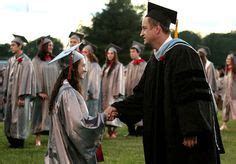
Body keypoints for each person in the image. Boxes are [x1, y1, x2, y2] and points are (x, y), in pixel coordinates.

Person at [105, 2, 224, 164]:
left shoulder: (183, 53)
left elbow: (193, 94)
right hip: (162, 133)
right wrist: (118, 108)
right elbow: (142, 96)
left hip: (183, 138)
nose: (141, 33)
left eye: (144, 28)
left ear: (157, 29)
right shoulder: (156, 59)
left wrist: (191, 130)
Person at [45, 44, 109, 163]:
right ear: (72, 68)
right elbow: (77, 127)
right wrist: (102, 117)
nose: (85, 69)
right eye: (83, 65)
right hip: (68, 152)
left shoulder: (64, 89)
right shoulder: (68, 93)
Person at [3, 34, 36, 148]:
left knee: (19, 117)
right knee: (9, 116)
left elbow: (27, 80)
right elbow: (7, 78)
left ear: (20, 46)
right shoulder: (11, 60)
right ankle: (11, 140)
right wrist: (5, 93)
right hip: (10, 95)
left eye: (13, 45)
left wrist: (22, 96)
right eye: (11, 45)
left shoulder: (26, 61)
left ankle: (19, 142)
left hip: (20, 95)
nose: (11, 47)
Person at [31, 36, 61, 146]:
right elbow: (34, 76)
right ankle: (37, 138)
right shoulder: (36, 60)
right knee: (39, 114)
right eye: (49, 45)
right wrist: (39, 91)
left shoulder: (55, 60)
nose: (51, 47)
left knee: (52, 114)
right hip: (42, 93)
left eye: (52, 45)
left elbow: (59, 74)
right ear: (44, 46)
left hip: (53, 92)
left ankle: (52, 137)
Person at [101, 43, 124, 138]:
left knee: (113, 111)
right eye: (108, 53)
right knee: (106, 110)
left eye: (112, 53)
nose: (109, 55)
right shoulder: (105, 66)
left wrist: (118, 92)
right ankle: (109, 131)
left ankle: (113, 131)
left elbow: (120, 79)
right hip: (105, 93)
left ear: (115, 55)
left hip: (114, 92)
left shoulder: (119, 66)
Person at [125, 41, 146, 136]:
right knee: (130, 111)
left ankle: (140, 130)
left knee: (140, 111)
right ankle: (131, 131)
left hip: (140, 93)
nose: (131, 53)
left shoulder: (144, 64)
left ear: (138, 53)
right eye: (130, 52)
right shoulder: (130, 64)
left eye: (133, 51)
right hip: (130, 92)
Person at [82, 42, 102, 116]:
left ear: (90, 53)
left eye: (85, 52)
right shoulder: (84, 64)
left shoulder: (94, 65)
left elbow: (93, 81)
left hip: (90, 95)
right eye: (82, 52)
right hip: (84, 93)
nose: (83, 54)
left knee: (91, 114)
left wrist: (90, 91)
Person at [220, 53, 236, 130]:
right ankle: (224, 124)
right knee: (225, 108)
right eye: (227, 59)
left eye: (229, 59)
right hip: (227, 93)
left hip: (233, 93)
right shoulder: (227, 69)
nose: (227, 60)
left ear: (232, 60)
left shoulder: (234, 70)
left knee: (234, 108)